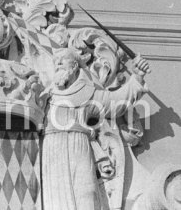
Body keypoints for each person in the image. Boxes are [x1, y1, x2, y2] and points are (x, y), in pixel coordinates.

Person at [42, 47, 150, 209]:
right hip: (51, 148)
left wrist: (136, 77)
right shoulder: (47, 96)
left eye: (63, 60)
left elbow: (116, 102)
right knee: (54, 196)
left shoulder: (87, 94)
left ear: (74, 67)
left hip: (78, 146)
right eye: (56, 62)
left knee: (86, 193)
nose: (58, 64)